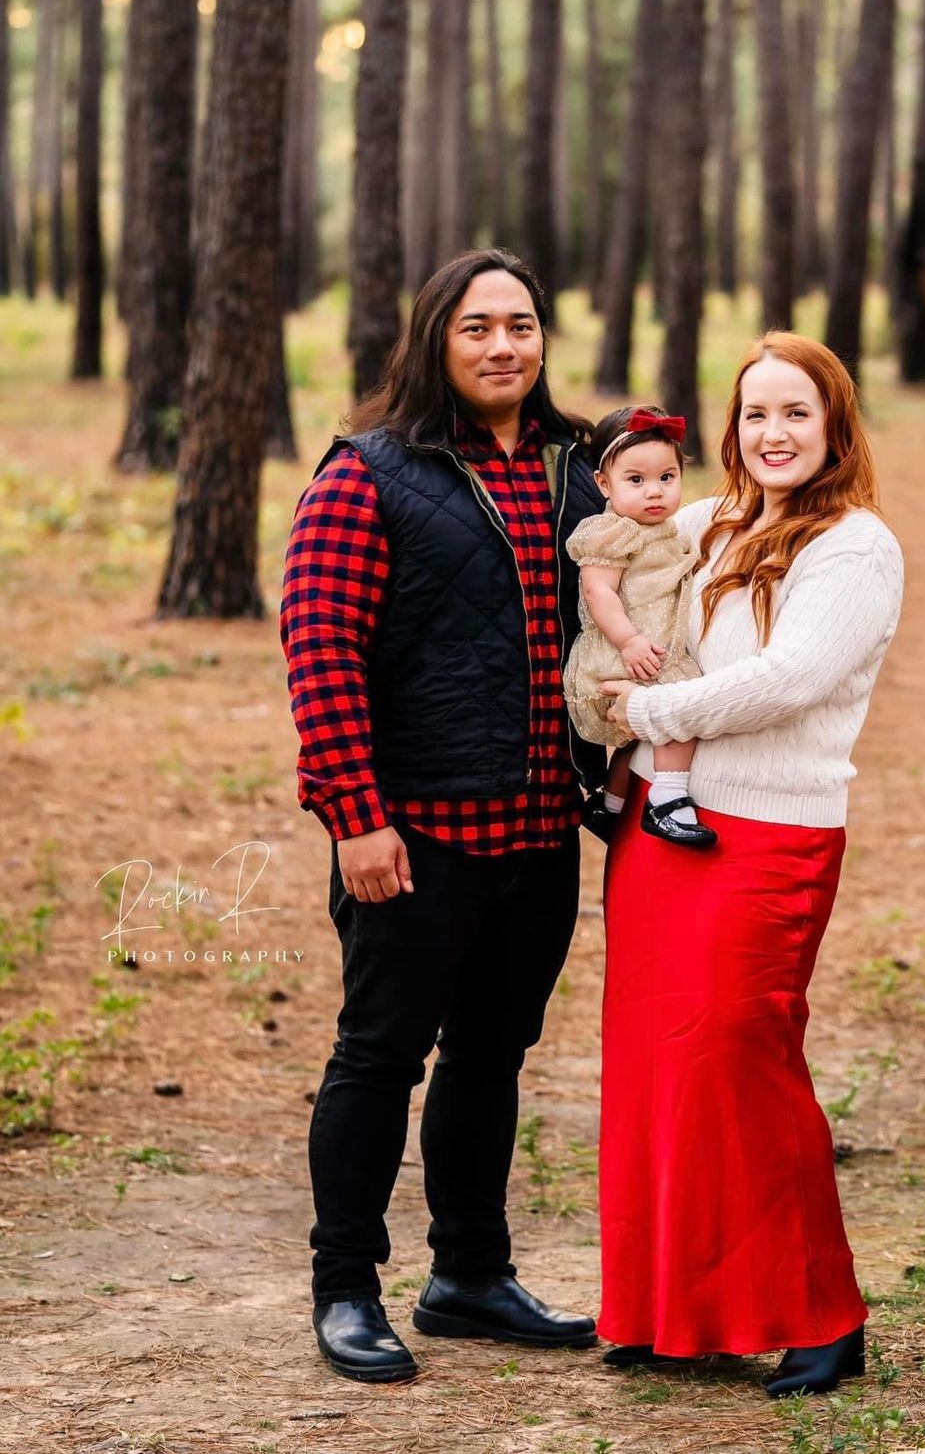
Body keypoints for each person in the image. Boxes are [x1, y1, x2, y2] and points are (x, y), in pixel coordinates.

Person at [280, 249, 607, 1384]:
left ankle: (470, 1272)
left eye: (521, 324)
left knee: (491, 1057)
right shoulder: (367, 473)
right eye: (478, 327)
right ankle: (345, 1288)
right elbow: (319, 652)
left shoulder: (580, 472)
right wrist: (355, 816)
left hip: (538, 834)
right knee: (377, 1058)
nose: (503, 345)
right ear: (436, 339)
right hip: (411, 840)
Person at [596, 332, 904, 1398]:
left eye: (795, 414)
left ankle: (821, 1309)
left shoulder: (856, 547)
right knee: (657, 1068)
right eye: (755, 414)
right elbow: (609, 551)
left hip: (766, 837)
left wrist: (641, 710)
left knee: (742, 1063)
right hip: (655, 823)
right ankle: (671, 1311)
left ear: (834, 427)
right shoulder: (710, 521)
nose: (772, 434)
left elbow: (789, 678)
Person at [563, 404, 716, 850]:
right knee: (679, 708)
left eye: (667, 478)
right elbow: (598, 593)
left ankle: (610, 805)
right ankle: (667, 800)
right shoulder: (610, 533)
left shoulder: (667, 532)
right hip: (619, 655)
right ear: (603, 485)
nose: (655, 492)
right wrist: (628, 641)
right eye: (636, 480)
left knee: (638, 737)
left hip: (644, 651)